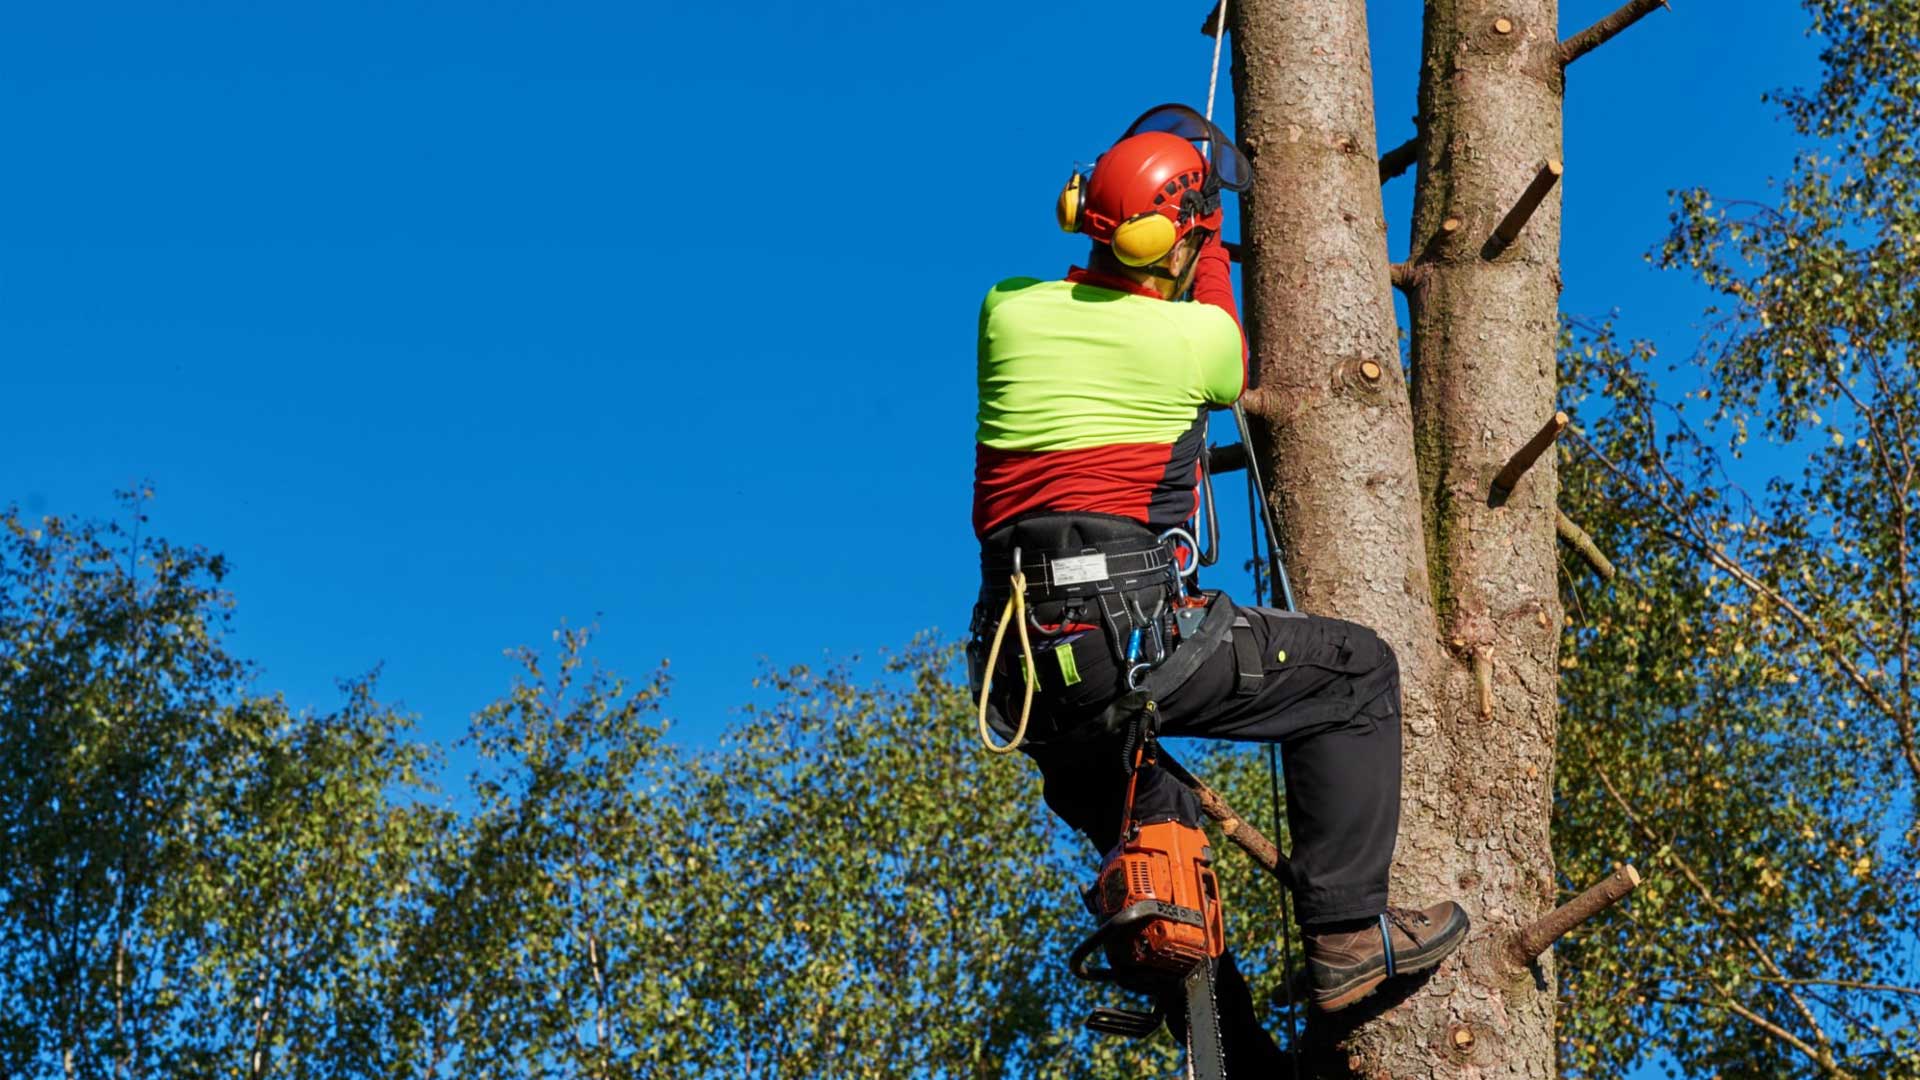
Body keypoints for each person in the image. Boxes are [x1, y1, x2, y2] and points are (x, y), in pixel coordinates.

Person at [968, 105, 1468, 1068]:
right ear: (1177, 241)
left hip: (1022, 672)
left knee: (1164, 847)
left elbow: (1111, 288)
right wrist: (1209, 238)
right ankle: (1348, 935)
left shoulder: (1008, 309)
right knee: (1357, 676)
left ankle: (1234, 1054)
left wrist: (1164, 213)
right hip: (1123, 639)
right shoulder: (1190, 344)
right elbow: (1224, 344)